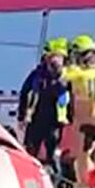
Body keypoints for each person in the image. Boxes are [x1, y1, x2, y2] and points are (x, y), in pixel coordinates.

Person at [19, 39, 71, 177]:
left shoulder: (67, 77)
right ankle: (28, 177)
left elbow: (72, 100)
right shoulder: (38, 74)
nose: (57, 62)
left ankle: (53, 184)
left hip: (54, 123)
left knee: (51, 156)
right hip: (37, 119)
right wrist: (22, 115)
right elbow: (24, 92)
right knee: (31, 153)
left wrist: (70, 117)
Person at [64, 36, 95, 188]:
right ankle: (91, 185)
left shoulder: (79, 74)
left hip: (85, 120)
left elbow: (62, 75)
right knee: (85, 156)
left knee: (82, 158)